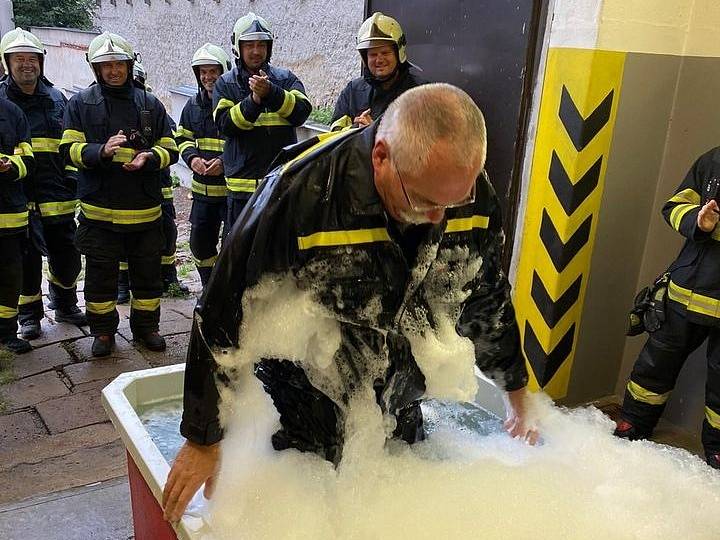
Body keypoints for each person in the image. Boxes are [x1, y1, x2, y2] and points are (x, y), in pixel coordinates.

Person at [163, 83, 537, 521]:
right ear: (381, 156)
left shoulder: (462, 192)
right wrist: (203, 439)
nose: (440, 217)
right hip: (302, 402)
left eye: (456, 201)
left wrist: (516, 391)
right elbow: (224, 313)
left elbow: (485, 295)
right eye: (424, 200)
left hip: (399, 396)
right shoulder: (299, 194)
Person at [59, 32, 178, 357]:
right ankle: (103, 333)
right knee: (100, 279)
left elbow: (171, 148)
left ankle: (146, 328)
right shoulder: (80, 104)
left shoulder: (150, 104)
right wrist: (100, 151)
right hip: (100, 215)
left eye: (118, 64)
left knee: (147, 277)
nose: (113, 70)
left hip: (145, 212)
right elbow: (68, 150)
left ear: (129, 65)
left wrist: (150, 158)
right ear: (96, 69)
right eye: (106, 65)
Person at [616, 147, 720, 469]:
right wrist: (698, 222)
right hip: (685, 293)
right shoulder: (713, 160)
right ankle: (633, 423)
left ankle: (716, 450)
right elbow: (673, 206)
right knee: (654, 366)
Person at [0, 28, 86, 340]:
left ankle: (65, 304)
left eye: (32, 58)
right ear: (7, 63)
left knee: (67, 256)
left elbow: (68, 145)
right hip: (16, 199)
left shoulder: (56, 99)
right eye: (19, 59)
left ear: (41, 62)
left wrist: (72, 179)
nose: (27, 64)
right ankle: (29, 316)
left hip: (56, 196)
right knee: (24, 262)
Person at [213, 12, 312, 228]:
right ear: (238, 48)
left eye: (261, 44)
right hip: (242, 194)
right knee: (240, 255)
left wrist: (272, 93)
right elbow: (225, 125)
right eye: (249, 45)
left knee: (279, 253)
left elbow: (302, 112)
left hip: (280, 186)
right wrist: (255, 101)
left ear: (269, 47)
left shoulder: (285, 79)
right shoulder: (225, 84)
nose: (256, 51)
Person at [176, 43, 230, 287]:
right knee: (199, 244)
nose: (207, 77)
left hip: (231, 193)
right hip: (202, 194)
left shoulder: (235, 103)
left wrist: (224, 162)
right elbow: (183, 138)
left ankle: (227, 288)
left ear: (223, 71)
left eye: (212, 71)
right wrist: (193, 159)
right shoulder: (192, 106)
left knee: (232, 244)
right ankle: (209, 286)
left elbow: (248, 144)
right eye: (203, 72)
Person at [330, 12, 426, 132]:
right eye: (373, 54)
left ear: (398, 53)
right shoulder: (352, 91)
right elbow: (334, 137)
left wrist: (375, 132)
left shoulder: (421, 93)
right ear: (365, 58)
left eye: (385, 53)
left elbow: (427, 141)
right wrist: (355, 129)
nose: (379, 60)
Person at [0, 95, 35, 353]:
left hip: (9, 214)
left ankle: (7, 332)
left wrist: (10, 165)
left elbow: (28, 159)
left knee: (10, 276)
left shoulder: (12, 113)